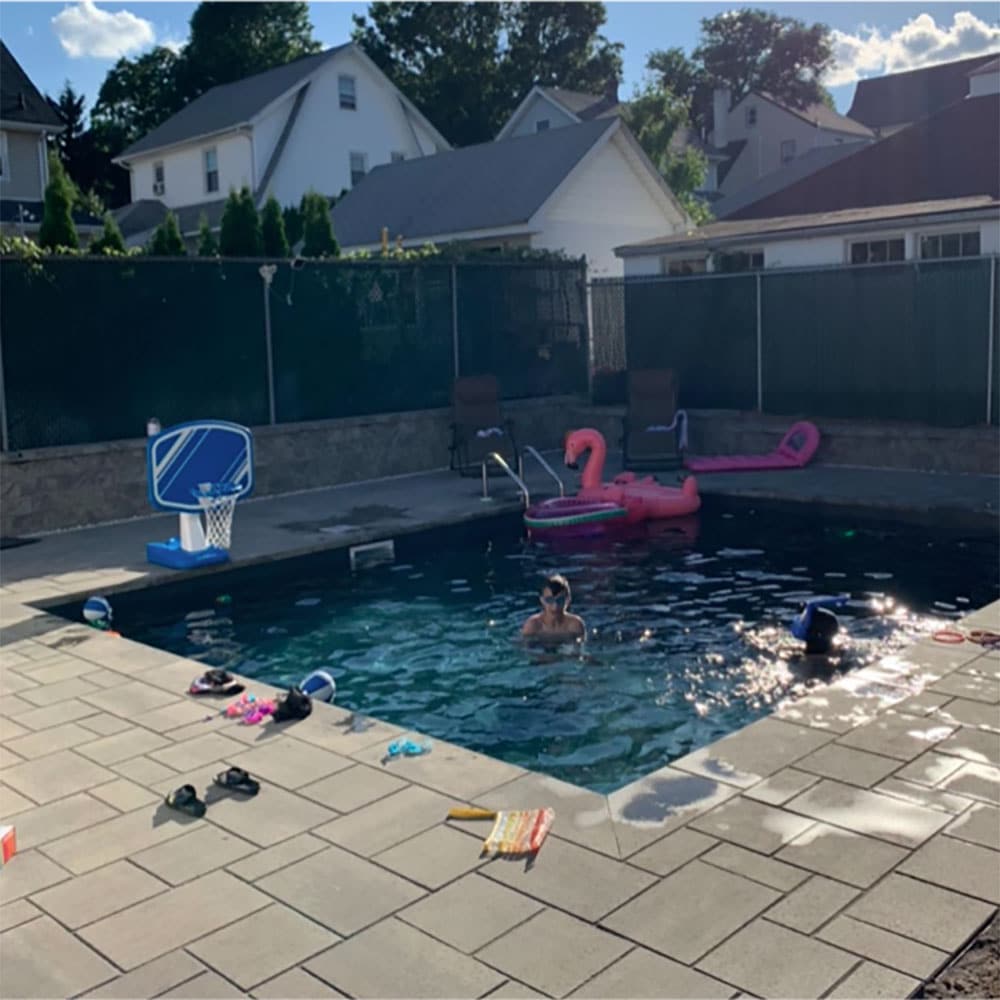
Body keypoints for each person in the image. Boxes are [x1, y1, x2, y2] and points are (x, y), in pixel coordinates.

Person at [521, 574, 586, 643]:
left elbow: (579, 651)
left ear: (568, 600)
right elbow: (525, 651)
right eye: (549, 600)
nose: (555, 606)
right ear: (542, 600)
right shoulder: (533, 626)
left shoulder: (575, 625)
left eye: (560, 600)